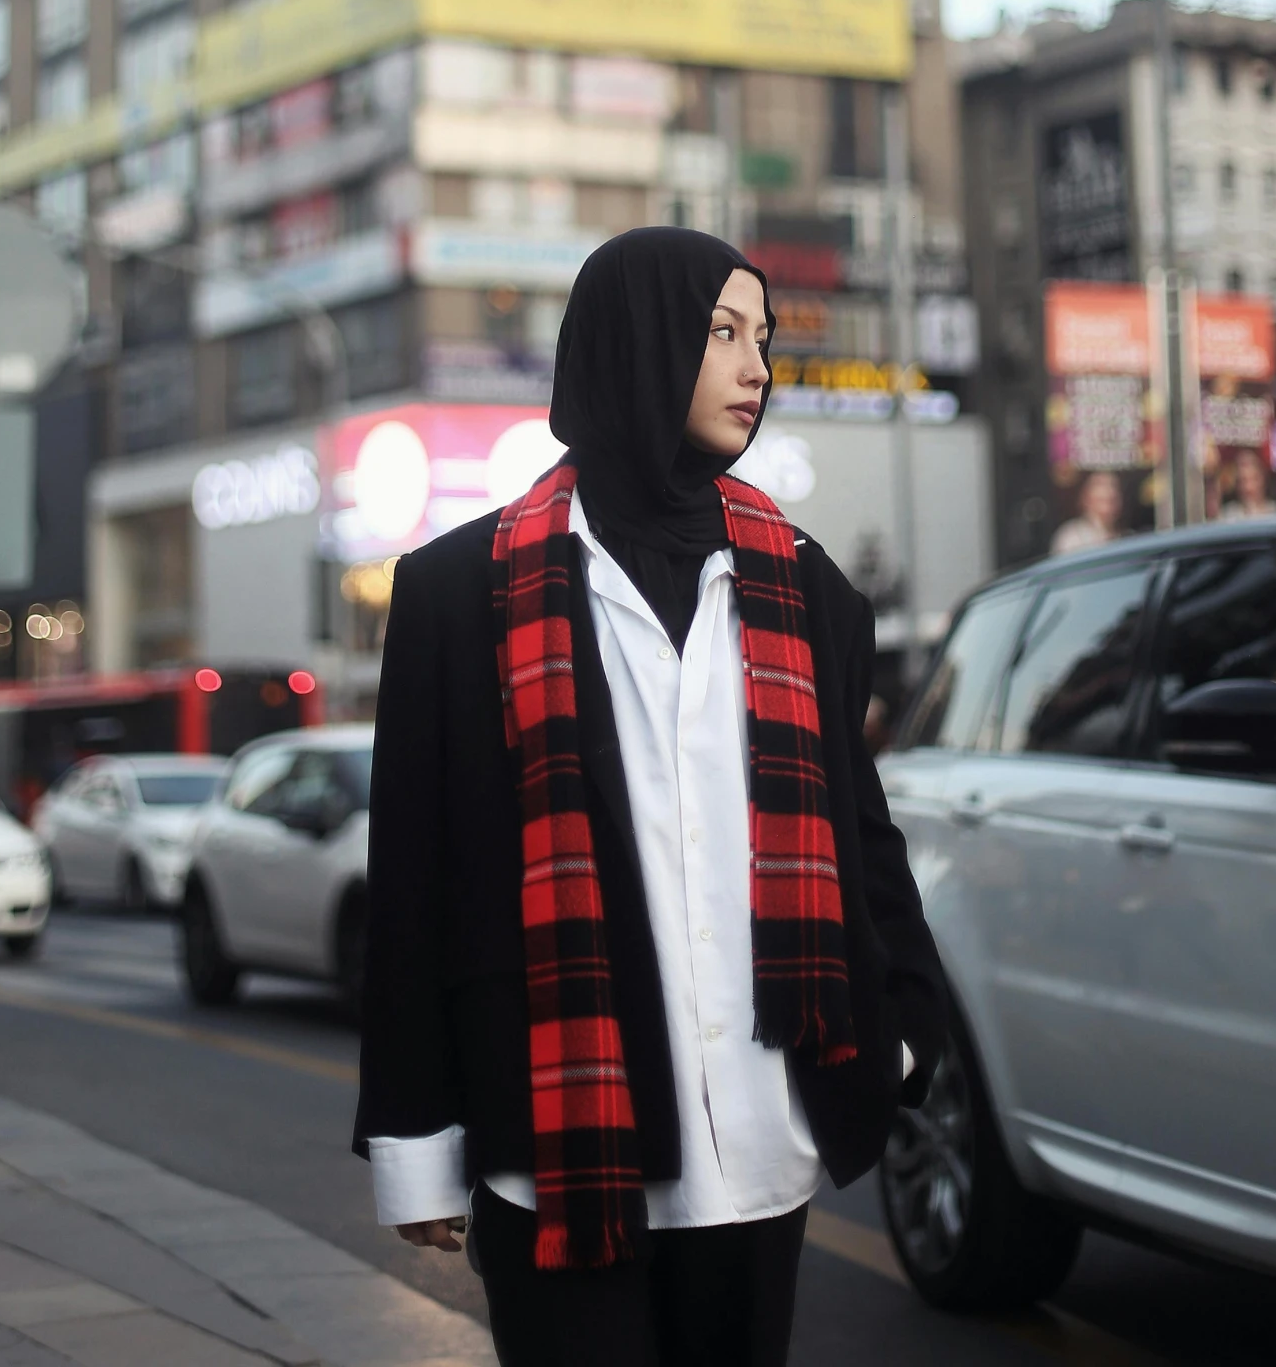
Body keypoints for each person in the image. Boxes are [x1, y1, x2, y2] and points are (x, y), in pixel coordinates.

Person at [354, 229, 945, 1367]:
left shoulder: (808, 586)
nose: (754, 367)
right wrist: (417, 1140)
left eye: (761, 339)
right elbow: (416, 885)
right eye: (720, 334)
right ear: (634, 344)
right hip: (555, 1134)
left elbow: (860, 839)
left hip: (762, 1137)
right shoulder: (455, 593)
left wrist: (904, 1031)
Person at [1049, 468, 1124, 557]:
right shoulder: (1072, 537)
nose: (1110, 491)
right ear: (1085, 498)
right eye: (1100, 484)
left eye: (1114, 486)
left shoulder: (1125, 537)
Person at [1217, 446, 1276, 522]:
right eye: (1242, 481)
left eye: (1253, 479)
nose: (1248, 487)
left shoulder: (1275, 512)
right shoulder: (1228, 515)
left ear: (1262, 480)